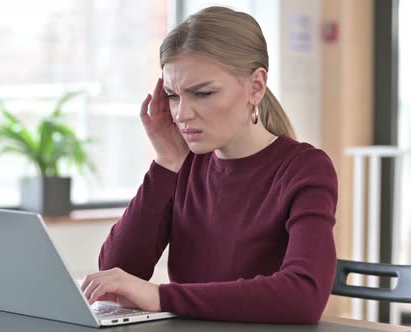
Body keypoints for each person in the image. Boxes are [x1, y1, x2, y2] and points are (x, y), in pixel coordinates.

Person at [80, 6, 337, 324]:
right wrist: (165, 163)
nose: (181, 114)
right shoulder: (182, 165)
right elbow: (117, 274)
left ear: (255, 86)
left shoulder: (305, 169)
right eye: (173, 95)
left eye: (202, 93)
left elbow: (303, 296)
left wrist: (162, 296)